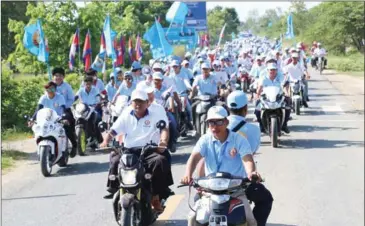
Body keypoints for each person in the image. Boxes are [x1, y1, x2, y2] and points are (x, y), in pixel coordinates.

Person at [180, 106, 260, 226]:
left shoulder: (238, 139)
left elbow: (247, 159)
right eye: (211, 122)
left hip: (234, 190)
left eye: (219, 121)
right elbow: (194, 157)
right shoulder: (205, 140)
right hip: (210, 191)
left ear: (226, 122)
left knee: (250, 220)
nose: (214, 126)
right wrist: (187, 174)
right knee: (192, 218)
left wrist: (251, 172)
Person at [100, 89, 173, 212]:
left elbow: (164, 129)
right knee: (115, 158)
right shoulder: (126, 114)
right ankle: (114, 188)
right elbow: (113, 130)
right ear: (131, 103)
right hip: (129, 151)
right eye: (135, 102)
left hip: (149, 150)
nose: (138, 104)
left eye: (141, 101)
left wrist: (163, 142)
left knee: (160, 161)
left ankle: (156, 196)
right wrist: (105, 141)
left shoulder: (155, 114)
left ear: (147, 103)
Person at [30, 81, 77, 157]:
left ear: (55, 89)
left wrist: (64, 118)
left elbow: (63, 109)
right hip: (46, 119)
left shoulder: (60, 97)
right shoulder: (43, 97)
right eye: (48, 89)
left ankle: (74, 145)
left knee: (67, 128)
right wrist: (32, 119)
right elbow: (38, 109)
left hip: (58, 118)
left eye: (52, 89)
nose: (50, 91)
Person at [255, 63, 291, 134]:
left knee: (288, 105)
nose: (272, 71)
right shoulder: (264, 78)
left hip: (278, 98)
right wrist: (257, 95)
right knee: (257, 109)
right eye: (271, 70)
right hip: (266, 99)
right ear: (268, 71)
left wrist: (286, 93)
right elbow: (259, 88)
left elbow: (284, 85)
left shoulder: (280, 77)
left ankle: (284, 125)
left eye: (274, 70)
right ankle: (261, 126)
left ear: (276, 71)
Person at [51, 67, 77, 157]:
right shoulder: (50, 86)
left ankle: (74, 145)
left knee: (67, 125)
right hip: (52, 111)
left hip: (65, 110)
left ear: (63, 77)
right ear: (53, 77)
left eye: (60, 76)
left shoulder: (67, 86)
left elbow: (71, 99)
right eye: (56, 76)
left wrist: (64, 106)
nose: (58, 77)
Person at [75, 76, 104, 144]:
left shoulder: (95, 90)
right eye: (86, 84)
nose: (88, 85)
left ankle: (95, 138)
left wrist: (97, 102)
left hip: (92, 109)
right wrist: (72, 101)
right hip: (82, 109)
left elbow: (98, 99)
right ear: (84, 83)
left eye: (89, 84)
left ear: (92, 83)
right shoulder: (81, 90)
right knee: (76, 119)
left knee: (93, 121)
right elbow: (75, 97)